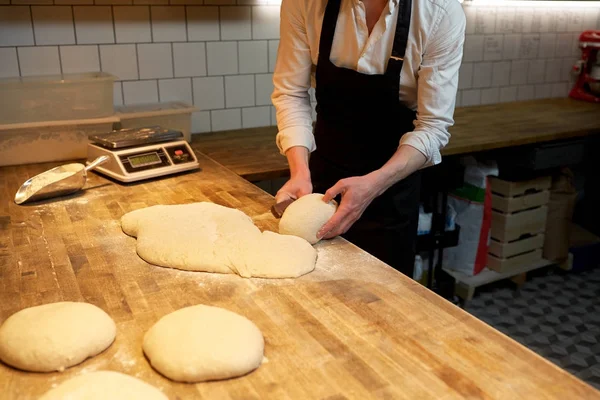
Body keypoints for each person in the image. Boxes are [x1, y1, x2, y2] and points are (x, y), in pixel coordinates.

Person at [272, 0, 466, 277]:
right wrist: (300, 172)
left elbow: (433, 126)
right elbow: (291, 92)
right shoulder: (304, 4)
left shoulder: (440, 13)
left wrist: (375, 184)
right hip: (323, 183)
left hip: (392, 188)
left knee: (382, 300)